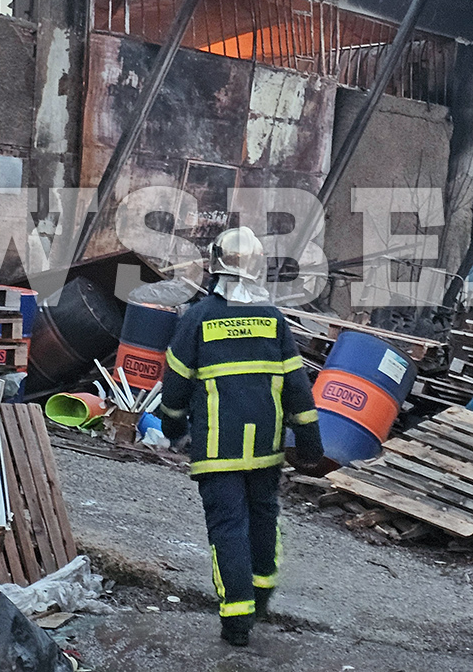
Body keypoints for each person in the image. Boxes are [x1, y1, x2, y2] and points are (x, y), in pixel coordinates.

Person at [158, 226, 325, 647]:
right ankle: (262, 597)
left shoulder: (198, 318)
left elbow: (175, 383)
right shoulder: (273, 320)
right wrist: (309, 441)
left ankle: (237, 621)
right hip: (265, 450)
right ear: (257, 268)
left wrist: (173, 427)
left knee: (228, 528)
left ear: (214, 266)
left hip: (218, 451)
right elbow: (297, 385)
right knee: (263, 519)